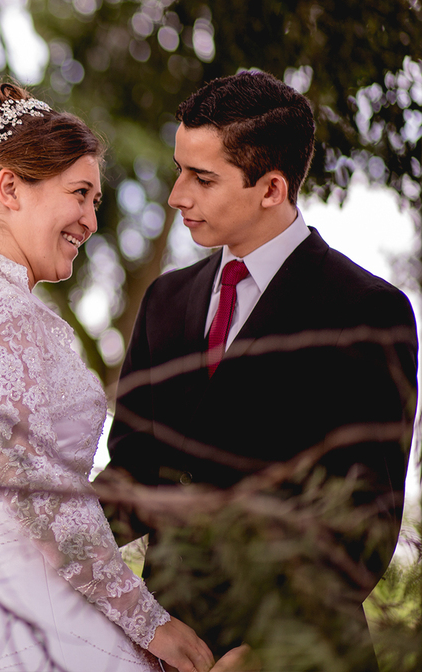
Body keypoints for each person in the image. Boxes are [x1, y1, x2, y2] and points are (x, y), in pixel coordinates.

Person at [104, 70, 418, 671]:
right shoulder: (166, 300)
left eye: (202, 178)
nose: (176, 195)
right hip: (171, 650)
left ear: (272, 188)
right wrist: (45, 537)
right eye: (179, 169)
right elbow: (134, 473)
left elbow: (366, 518)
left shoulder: (366, 310)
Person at [0, 82, 214, 672]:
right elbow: (38, 493)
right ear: (9, 189)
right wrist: (153, 625)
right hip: (30, 614)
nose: (90, 220)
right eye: (80, 194)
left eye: (96, 201)